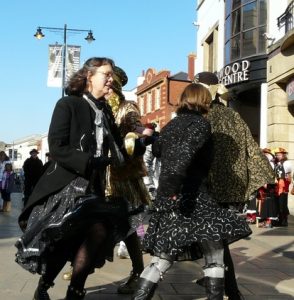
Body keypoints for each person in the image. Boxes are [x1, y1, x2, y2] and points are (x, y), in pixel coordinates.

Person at [15, 57, 130, 300]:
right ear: (89, 76)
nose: (112, 80)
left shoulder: (104, 110)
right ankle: (44, 286)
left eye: (112, 76)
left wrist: (143, 143)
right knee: (64, 242)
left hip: (94, 188)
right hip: (67, 186)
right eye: (106, 74)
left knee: (98, 234)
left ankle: (75, 291)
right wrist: (88, 161)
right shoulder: (68, 104)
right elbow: (57, 147)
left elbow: (119, 148)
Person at [131, 83, 252, 300]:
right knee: (214, 256)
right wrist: (171, 192)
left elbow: (158, 151)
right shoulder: (200, 125)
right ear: (203, 101)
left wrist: (166, 194)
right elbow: (182, 159)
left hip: (174, 196)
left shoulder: (170, 125)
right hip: (195, 198)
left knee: (160, 260)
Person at [195, 71, 275, 299]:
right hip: (232, 188)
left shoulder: (202, 116)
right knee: (216, 240)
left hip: (209, 187)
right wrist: (260, 180)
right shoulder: (234, 116)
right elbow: (252, 149)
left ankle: (223, 286)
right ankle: (223, 284)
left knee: (213, 242)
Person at [107, 66, 152, 294]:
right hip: (99, 174)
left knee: (132, 225)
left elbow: (135, 124)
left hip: (121, 176)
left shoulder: (127, 107)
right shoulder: (99, 106)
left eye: (109, 82)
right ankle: (81, 268)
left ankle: (138, 271)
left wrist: (137, 133)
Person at [256, 148, 278, 228]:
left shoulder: (271, 163)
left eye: (265, 153)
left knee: (269, 203)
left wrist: (265, 182)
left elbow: (271, 174)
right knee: (264, 203)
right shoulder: (265, 162)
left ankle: (269, 221)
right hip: (265, 185)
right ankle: (264, 220)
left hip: (270, 185)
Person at [273, 147, 292, 226]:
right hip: (277, 185)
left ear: (283, 155)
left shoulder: (286, 163)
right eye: (277, 155)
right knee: (278, 203)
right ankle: (280, 219)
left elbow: (289, 177)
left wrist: (285, 185)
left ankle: (284, 221)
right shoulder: (277, 164)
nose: (278, 156)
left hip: (283, 185)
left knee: (282, 204)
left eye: (279, 155)